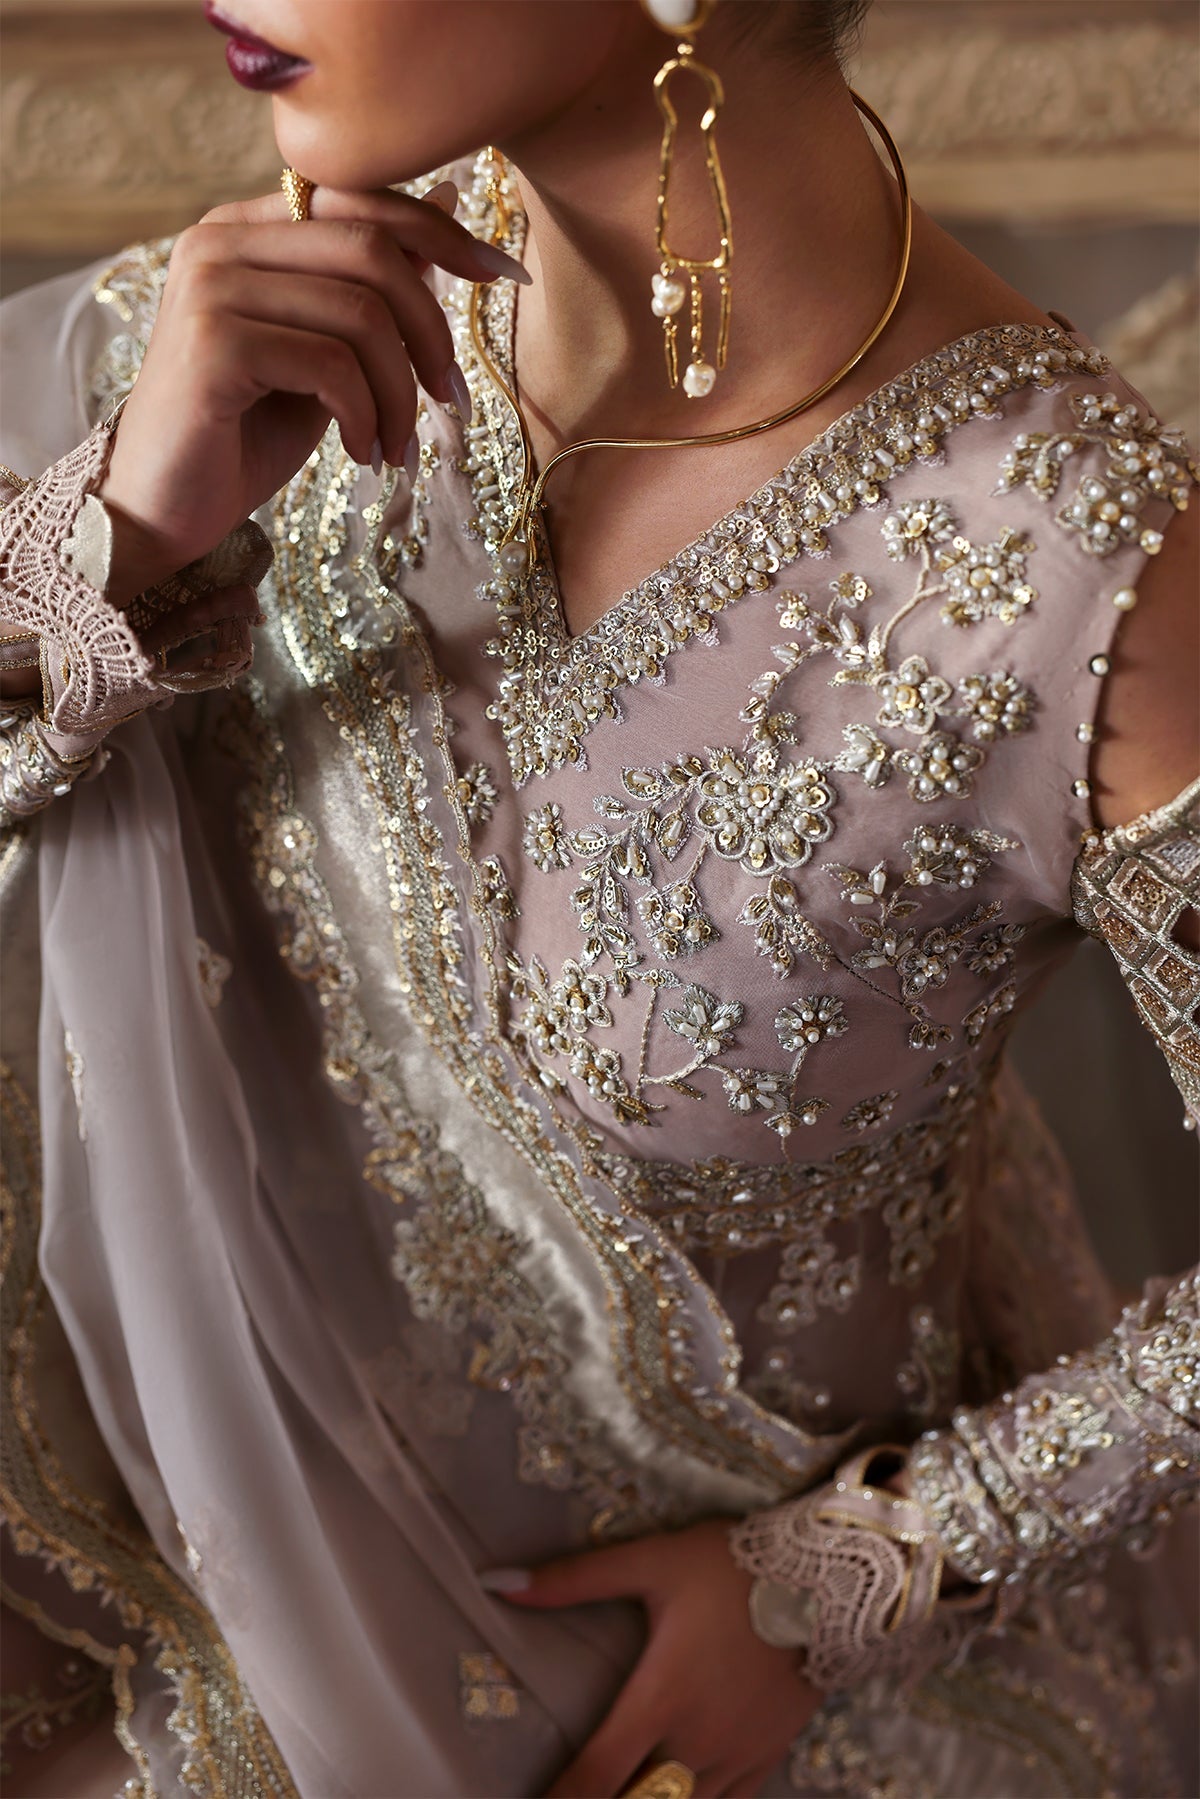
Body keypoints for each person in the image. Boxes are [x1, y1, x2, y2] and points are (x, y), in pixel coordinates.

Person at [0, 0, 1196, 1793]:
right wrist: (120, 547)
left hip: (715, 1719)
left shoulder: (1076, 573)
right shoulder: (239, 345)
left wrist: (870, 1566)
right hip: (162, 1624)